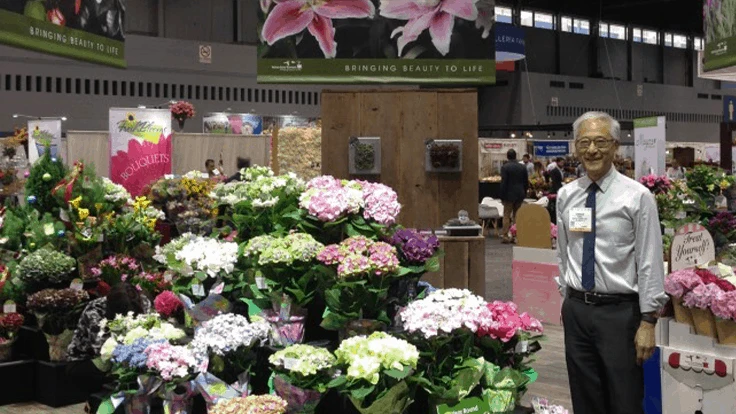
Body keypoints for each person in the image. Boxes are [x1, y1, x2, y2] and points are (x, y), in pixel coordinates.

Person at [556, 112, 667, 414]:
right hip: (577, 311)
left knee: (625, 399)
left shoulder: (637, 197)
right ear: (575, 147)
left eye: (600, 142)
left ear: (615, 146)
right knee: (585, 397)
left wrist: (648, 320)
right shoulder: (567, 195)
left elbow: (649, 260)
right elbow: (564, 253)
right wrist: (568, 300)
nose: (592, 150)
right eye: (584, 143)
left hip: (620, 314)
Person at [66, 283, 151, 410]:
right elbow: (102, 348)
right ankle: (97, 401)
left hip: (128, 352)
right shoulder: (95, 310)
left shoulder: (143, 302)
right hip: (88, 360)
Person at [499, 149, 529, 243]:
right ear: (515, 156)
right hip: (520, 193)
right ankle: (515, 236)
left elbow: (504, 183)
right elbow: (526, 182)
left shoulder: (505, 167)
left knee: (506, 215)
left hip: (508, 194)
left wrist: (502, 195)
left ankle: (505, 236)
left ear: (507, 156)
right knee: (517, 215)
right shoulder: (522, 167)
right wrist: (524, 192)